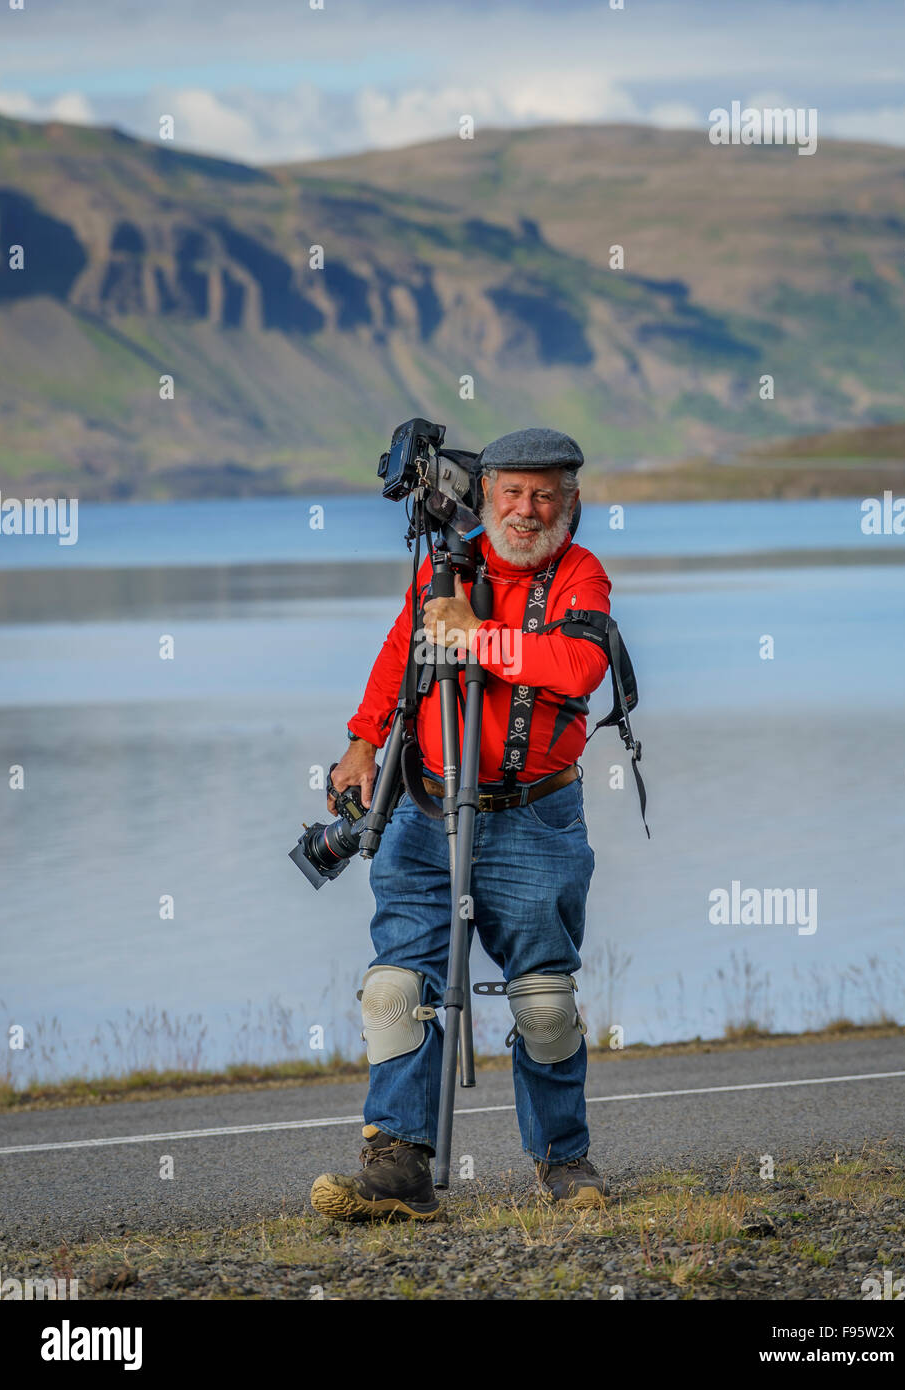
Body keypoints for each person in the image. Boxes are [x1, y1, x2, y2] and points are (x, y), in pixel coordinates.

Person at [310, 427, 614, 1221]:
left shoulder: (580, 575)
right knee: (395, 987)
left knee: (543, 1003)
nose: (526, 509)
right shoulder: (446, 568)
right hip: (424, 801)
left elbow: (579, 666)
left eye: (544, 493)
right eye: (511, 492)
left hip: (535, 813)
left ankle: (563, 1161)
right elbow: (400, 650)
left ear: (570, 500)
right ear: (486, 495)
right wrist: (362, 739)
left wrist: (476, 636)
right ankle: (397, 1169)